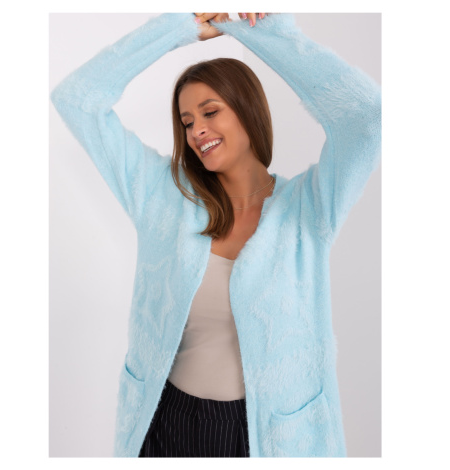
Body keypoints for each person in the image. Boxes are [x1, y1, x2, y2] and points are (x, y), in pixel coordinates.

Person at [50, 12, 381, 458]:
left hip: (268, 438)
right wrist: (176, 29)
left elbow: (366, 115)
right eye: (187, 121)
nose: (196, 131)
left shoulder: (309, 208)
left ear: (247, 109)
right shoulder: (162, 197)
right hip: (164, 424)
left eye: (210, 112)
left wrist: (269, 34)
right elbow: (76, 100)